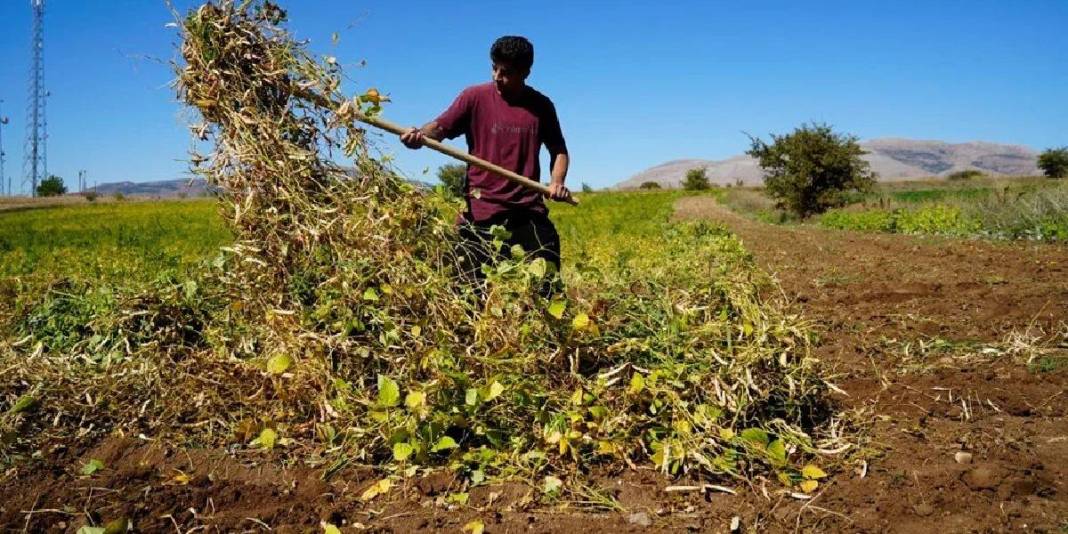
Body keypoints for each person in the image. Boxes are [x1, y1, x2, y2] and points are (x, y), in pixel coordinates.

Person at [400, 35, 571, 293]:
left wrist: (557, 182)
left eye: (506, 72)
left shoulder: (541, 106)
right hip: (480, 212)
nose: (497, 77)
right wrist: (419, 136)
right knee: (468, 295)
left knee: (546, 286)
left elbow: (559, 150)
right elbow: (439, 129)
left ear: (525, 72)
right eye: (494, 68)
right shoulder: (474, 97)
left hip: (527, 211)